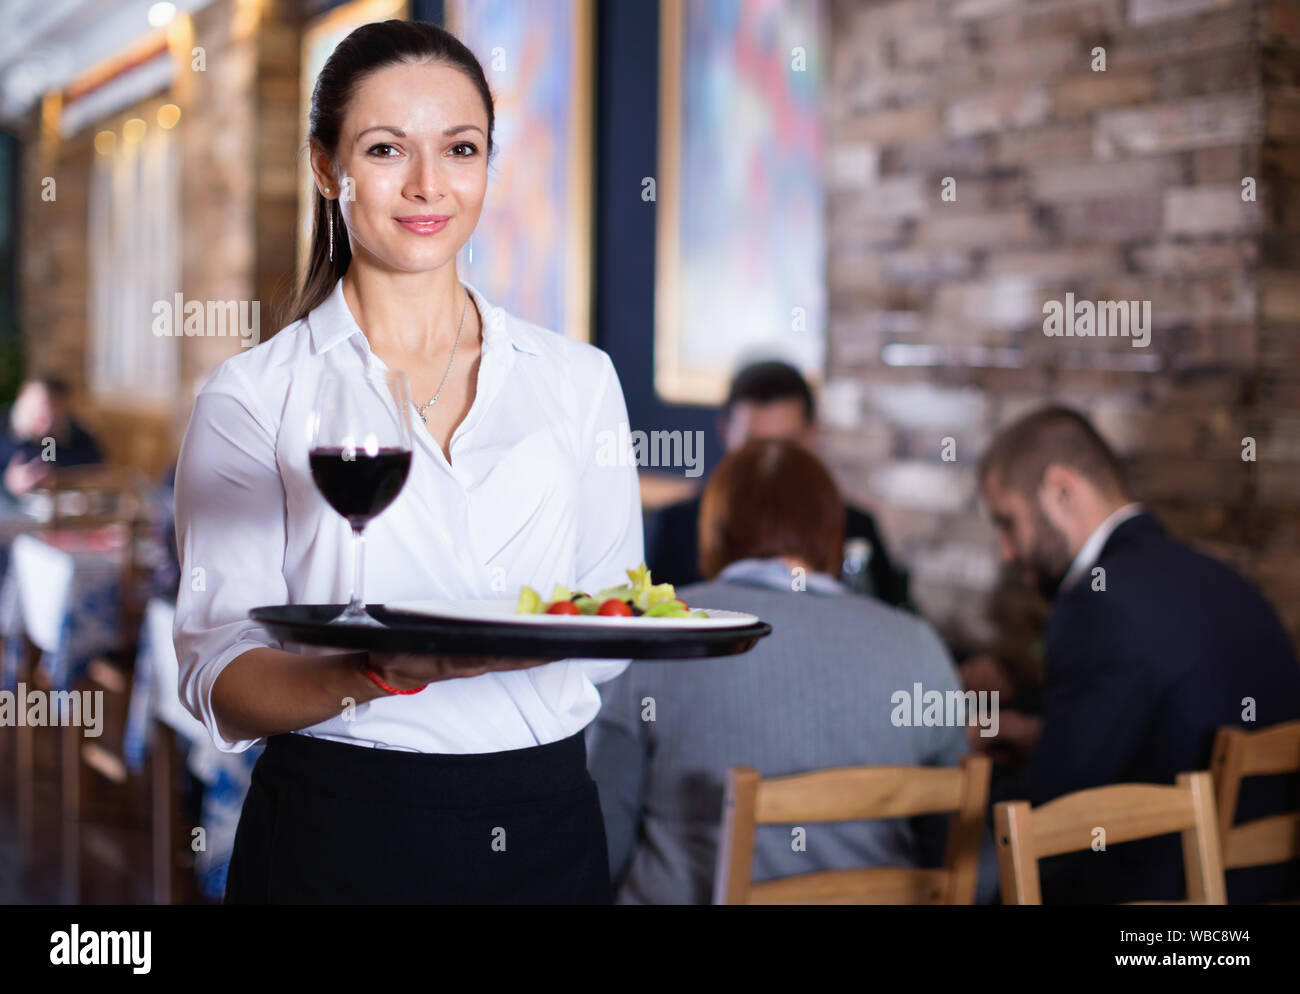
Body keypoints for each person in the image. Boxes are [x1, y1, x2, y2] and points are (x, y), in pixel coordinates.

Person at [172, 20, 642, 904]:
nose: (429, 185)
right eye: (386, 149)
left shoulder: (581, 382)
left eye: (460, 148)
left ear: (487, 164)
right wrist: (379, 673)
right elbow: (221, 682)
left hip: (544, 825)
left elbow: (607, 620)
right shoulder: (252, 398)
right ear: (325, 167)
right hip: (339, 829)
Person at [587, 439, 995, 904]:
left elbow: (603, 839)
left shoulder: (658, 634)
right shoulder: (920, 647)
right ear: (831, 537)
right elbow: (966, 856)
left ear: (713, 535)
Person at [975, 406, 1300, 903]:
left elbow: (1049, 813)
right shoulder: (1225, 581)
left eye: (1007, 522)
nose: (1006, 552)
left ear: (1061, 490)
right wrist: (1044, 735)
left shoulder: (1096, 601)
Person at [645, 360, 909, 607]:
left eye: (786, 446)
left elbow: (892, 625)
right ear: (725, 431)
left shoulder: (854, 528)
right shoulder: (675, 528)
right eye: (754, 446)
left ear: (812, 434)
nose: (769, 462)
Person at [0, 375, 104, 501]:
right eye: (40, 415)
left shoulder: (75, 435)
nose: (47, 425)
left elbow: (97, 470)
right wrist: (8, 486)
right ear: (23, 398)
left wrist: (60, 478)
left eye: (54, 416)